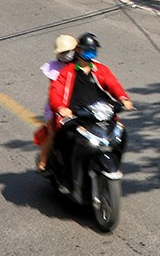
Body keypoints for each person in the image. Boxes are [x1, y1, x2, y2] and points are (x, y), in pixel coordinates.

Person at [46, 33, 133, 161]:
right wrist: (61, 108)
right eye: (87, 50)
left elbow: (112, 83)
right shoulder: (67, 72)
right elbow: (56, 91)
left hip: (99, 112)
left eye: (93, 50)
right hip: (76, 114)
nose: (90, 53)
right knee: (68, 138)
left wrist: (123, 98)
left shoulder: (100, 69)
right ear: (78, 50)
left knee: (120, 132)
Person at [34, 35, 76, 172]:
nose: (67, 54)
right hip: (56, 107)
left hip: (79, 104)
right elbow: (54, 92)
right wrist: (60, 107)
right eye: (64, 52)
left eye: (70, 51)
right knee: (53, 133)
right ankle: (43, 160)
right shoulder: (54, 68)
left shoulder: (82, 64)